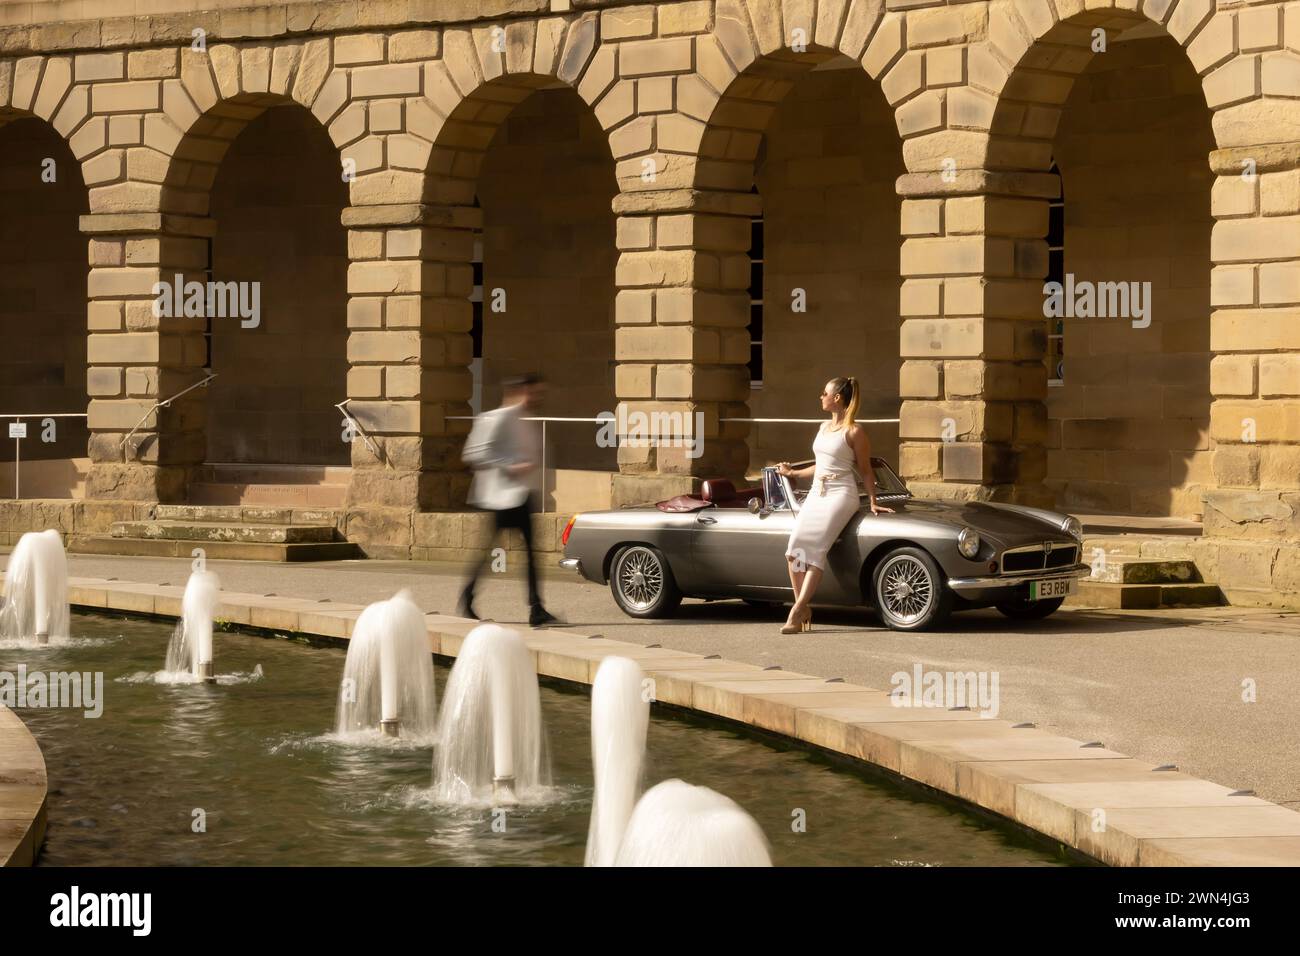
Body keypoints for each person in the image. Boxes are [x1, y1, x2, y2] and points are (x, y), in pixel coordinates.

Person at [776, 376, 892, 634]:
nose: (821, 397)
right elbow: (822, 464)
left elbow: (865, 470)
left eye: (824, 393)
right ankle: (802, 605)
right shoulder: (823, 427)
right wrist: (793, 474)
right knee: (794, 551)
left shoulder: (855, 431)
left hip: (841, 494)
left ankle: (796, 611)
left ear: (837, 398)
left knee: (816, 550)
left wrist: (873, 500)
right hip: (818, 492)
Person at [458, 373, 559, 628]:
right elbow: (474, 453)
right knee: (491, 552)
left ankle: (536, 608)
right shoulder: (497, 418)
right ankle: (467, 596)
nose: (537, 398)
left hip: (521, 495)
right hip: (500, 498)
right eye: (533, 392)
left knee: (530, 554)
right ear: (519, 391)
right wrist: (511, 466)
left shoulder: (527, 420)